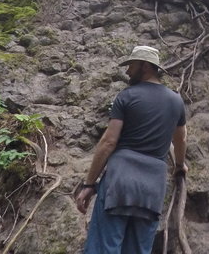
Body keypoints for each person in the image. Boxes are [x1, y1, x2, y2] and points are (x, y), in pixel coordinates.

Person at [75, 46, 187, 254]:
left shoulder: (127, 96)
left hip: (121, 180)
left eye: (131, 66)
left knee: (104, 247)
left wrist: (89, 184)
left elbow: (109, 142)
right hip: (153, 186)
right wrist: (180, 165)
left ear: (145, 66)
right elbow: (181, 139)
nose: (127, 71)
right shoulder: (176, 101)